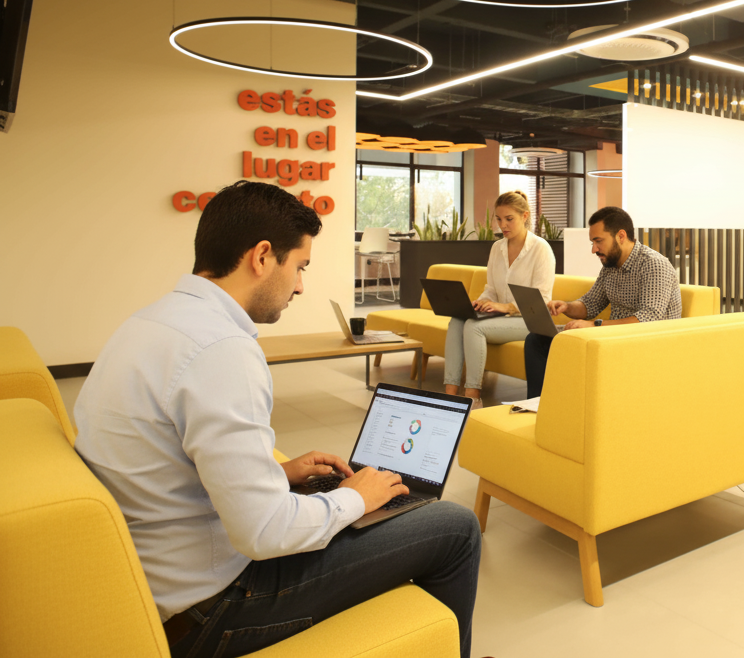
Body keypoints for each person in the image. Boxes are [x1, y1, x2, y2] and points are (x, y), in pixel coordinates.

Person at [73, 181, 480, 658]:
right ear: (263, 257)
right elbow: (265, 532)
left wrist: (278, 474)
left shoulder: (150, 321)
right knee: (456, 527)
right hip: (211, 609)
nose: (301, 286)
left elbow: (168, 463)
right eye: (300, 267)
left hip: (153, 579)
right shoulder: (222, 350)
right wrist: (355, 497)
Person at [523, 206, 680, 397]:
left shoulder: (653, 264)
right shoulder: (610, 266)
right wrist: (566, 306)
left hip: (647, 344)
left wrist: (594, 326)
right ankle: (537, 405)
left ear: (621, 236)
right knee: (537, 340)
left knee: (570, 345)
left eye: (598, 241)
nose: (594, 249)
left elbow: (648, 320)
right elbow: (590, 304)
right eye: (593, 242)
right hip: (613, 339)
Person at [444, 190, 555, 406]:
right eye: (499, 219)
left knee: (473, 327)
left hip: (530, 321)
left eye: (509, 219)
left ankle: (472, 399)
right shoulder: (497, 248)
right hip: (502, 317)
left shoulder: (541, 249)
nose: (502, 225)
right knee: (457, 320)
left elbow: (542, 299)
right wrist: (482, 301)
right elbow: (491, 289)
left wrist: (507, 307)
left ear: (524, 216)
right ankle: (449, 397)